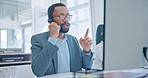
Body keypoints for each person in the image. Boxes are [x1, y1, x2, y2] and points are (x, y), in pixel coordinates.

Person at [30, 3, 93, 77]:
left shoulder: (73, 40)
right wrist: (52, 39)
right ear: (51, 20)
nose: (66, 19)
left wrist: (86, 51)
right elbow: (38, 71)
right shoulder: (38, 40)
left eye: (67, 16)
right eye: (61, 16)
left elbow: (87, 66)